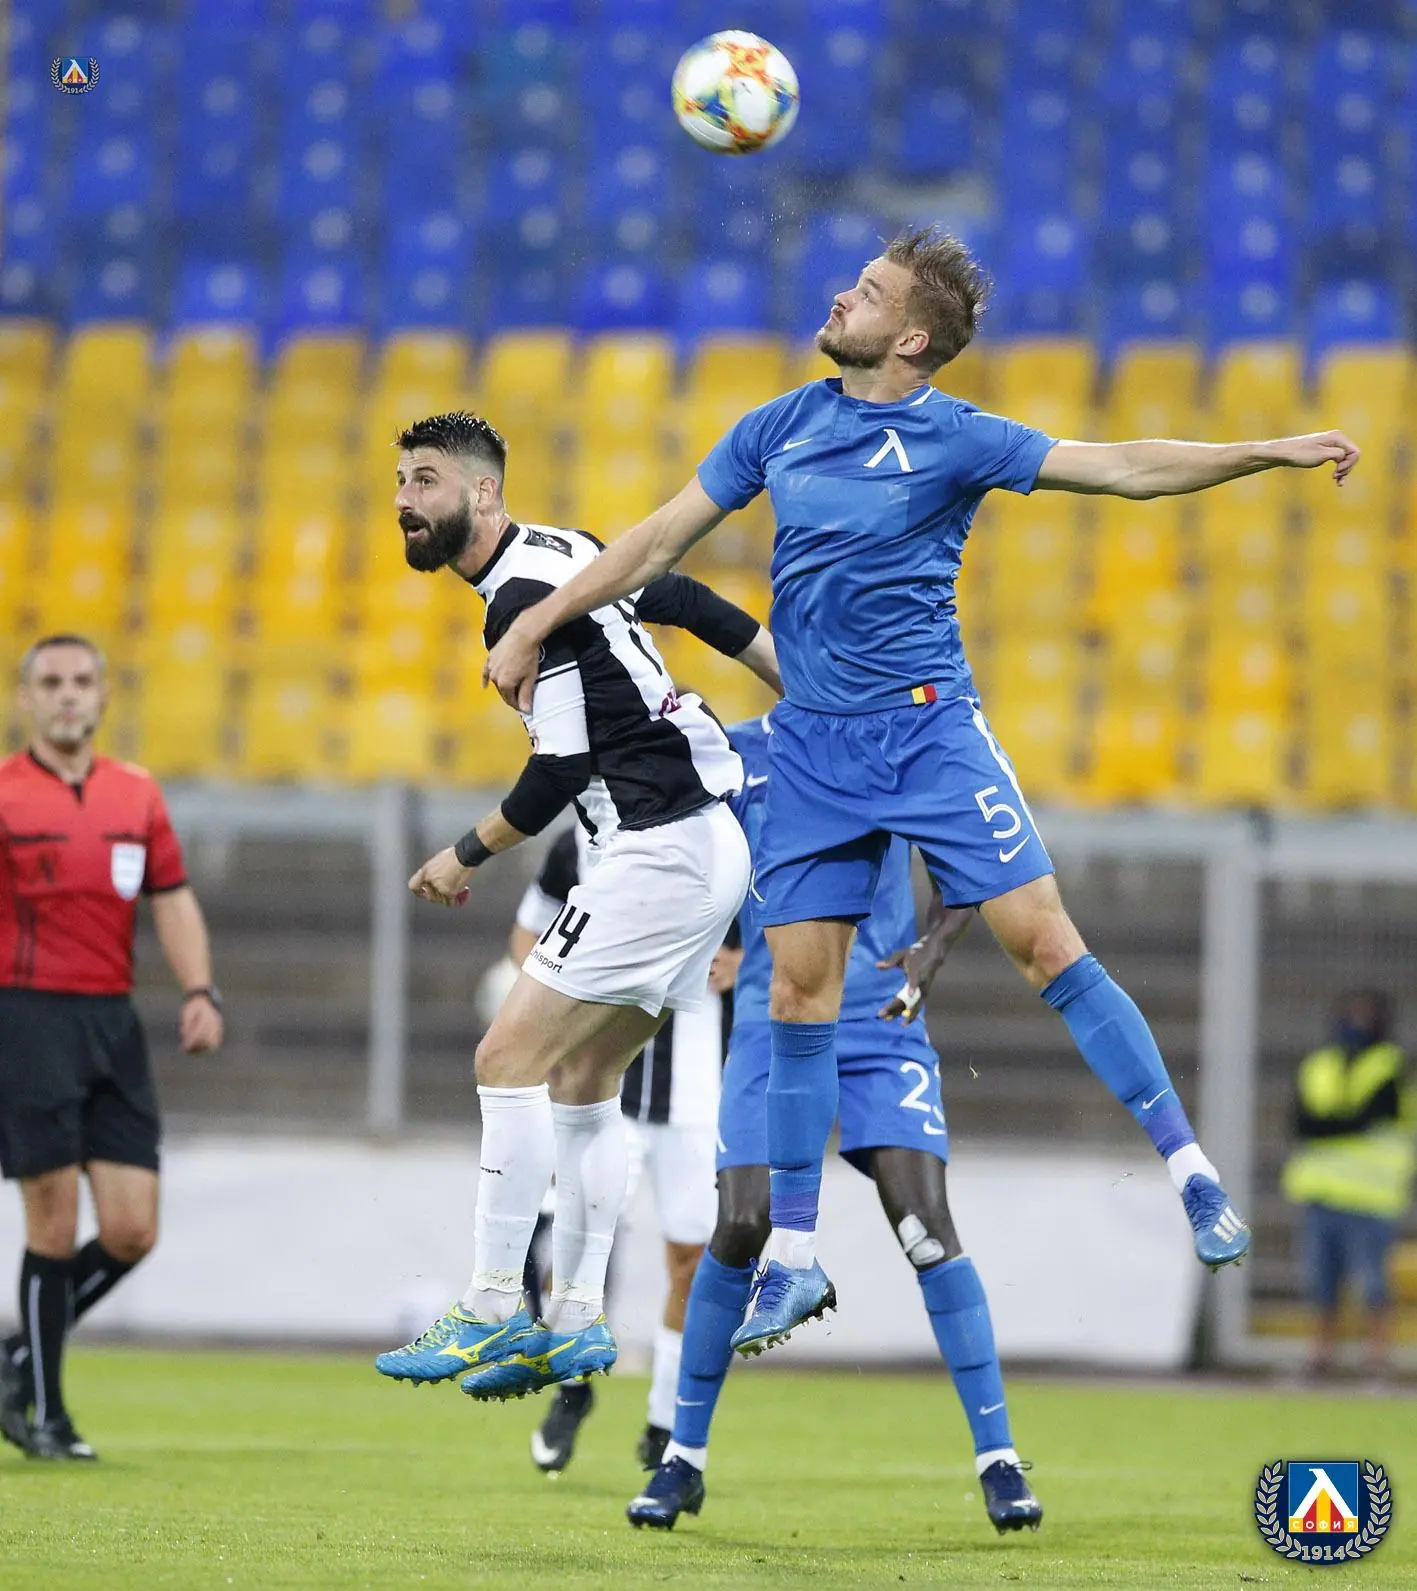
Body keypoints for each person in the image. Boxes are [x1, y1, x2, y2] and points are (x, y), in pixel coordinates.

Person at [484, 225, 1362, 1347]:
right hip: (813, 745)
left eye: (866, 291)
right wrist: (540, 622)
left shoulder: (957, 437)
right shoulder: (778, 426)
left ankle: (1189, 1169)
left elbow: (1124, 467)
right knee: (797, 993)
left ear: (908, 337)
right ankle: (793, 1258)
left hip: (926, 732)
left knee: (1042, 941)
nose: (839, 296)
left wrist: (1267, 450)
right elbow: (656, 540)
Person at [374, 412, 775, 1400]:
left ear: (482, 493)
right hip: (704, 844)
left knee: (503, 1059)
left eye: (425, 480)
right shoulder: (566, 550)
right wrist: (785, 672)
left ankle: (489, 1305)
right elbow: (682, 595)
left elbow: (559, 768)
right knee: (587, 1079)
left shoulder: (519, 595)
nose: (404, 501)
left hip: (656, 851)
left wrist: (461, 855)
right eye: (400, 482)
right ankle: (578, 1317)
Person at [627, 714, 1041, 1533]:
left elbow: (968, 852)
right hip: (771, 1019)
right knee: (739, 1224)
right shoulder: (735, 749)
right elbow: (690, 860)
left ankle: (999, 1459)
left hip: (880, 1020)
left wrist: (933, 946)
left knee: (925, 1228)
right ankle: (682, 1458)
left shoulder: (893, 735)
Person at [0, 635, 224, 1460]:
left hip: (111, 1023)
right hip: (26, 1019)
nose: (68, 694)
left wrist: (200, 990)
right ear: (27, 698)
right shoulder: (5, 793)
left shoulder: (136, 792)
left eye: (82, 680)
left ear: (102, 695)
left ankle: (15, 1355)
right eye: (52, 681)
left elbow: (172, 896)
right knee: (53, 1220)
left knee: (132, 1228)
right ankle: (48, 1417)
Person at [508, 825, 736, 1475]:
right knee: (570, 1240)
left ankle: (665, 1419)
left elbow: (783, 941)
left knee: (691, 1259)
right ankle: (571, 1386)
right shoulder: (582, 838)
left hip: (697, 1094)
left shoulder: (726, 839)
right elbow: (527, 934)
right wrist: (551, 1010)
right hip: (605, 1086)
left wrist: (746, 961)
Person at [1281, 991, 1414, 1378]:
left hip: (1372, 1196)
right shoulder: (1319, 1064)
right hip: (1322, 1192)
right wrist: (1340, 1126)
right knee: (1320, 1280)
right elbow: (1303, 1122)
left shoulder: (1391, 1065)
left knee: (1373, 1282)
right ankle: (1321, 1355)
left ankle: (1376, 1357)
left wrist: (1329, 1127)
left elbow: (1369, 1117)